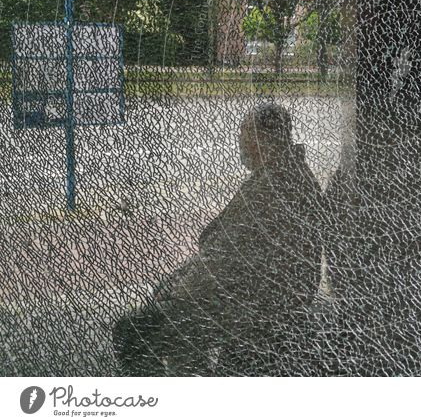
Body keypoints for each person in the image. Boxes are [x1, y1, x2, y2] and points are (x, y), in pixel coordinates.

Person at [113, 102, 326, 376]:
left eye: (244, 135)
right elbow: (228, 252)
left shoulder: (271, 188)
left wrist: (177, 290)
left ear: (263, 139)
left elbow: (221, 258)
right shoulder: (289, 176)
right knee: (180, 322)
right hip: (266, 296)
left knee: (134, 330)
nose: (240, 144)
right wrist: (180, 282)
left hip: (258, 306)